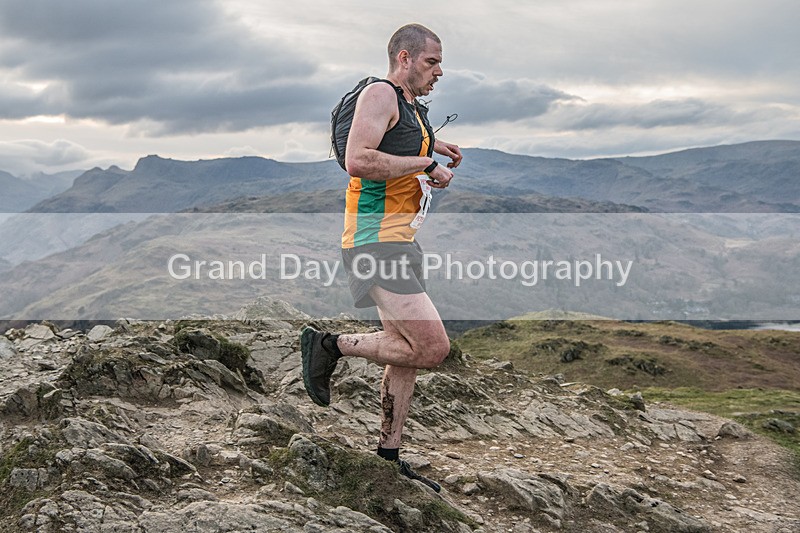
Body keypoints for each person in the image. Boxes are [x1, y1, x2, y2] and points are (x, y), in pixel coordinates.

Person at [301, 23, 462, 493]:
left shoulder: (410, 106)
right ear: (404, 57)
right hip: (374, 241)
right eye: (432, 62)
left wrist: (435, 147)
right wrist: (426, 163)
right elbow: (359, 160)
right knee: (431, 348)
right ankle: (329, 345)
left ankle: (389, 455)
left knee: (405, 353)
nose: (438, 72)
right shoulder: (380, 94)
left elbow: (397, 148)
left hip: (400, 240)